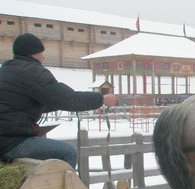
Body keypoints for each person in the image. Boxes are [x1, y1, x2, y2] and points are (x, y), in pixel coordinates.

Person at [0, 33, 117, 168]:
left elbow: (26, 104)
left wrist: (59, 104)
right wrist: (101, 99)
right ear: (33, 53)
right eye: (41, 52)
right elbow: (69, 99)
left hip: (5, 138)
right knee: (68, 152)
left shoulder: (7, 70)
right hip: (10, 143)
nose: (43, 57)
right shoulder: (33, 73)